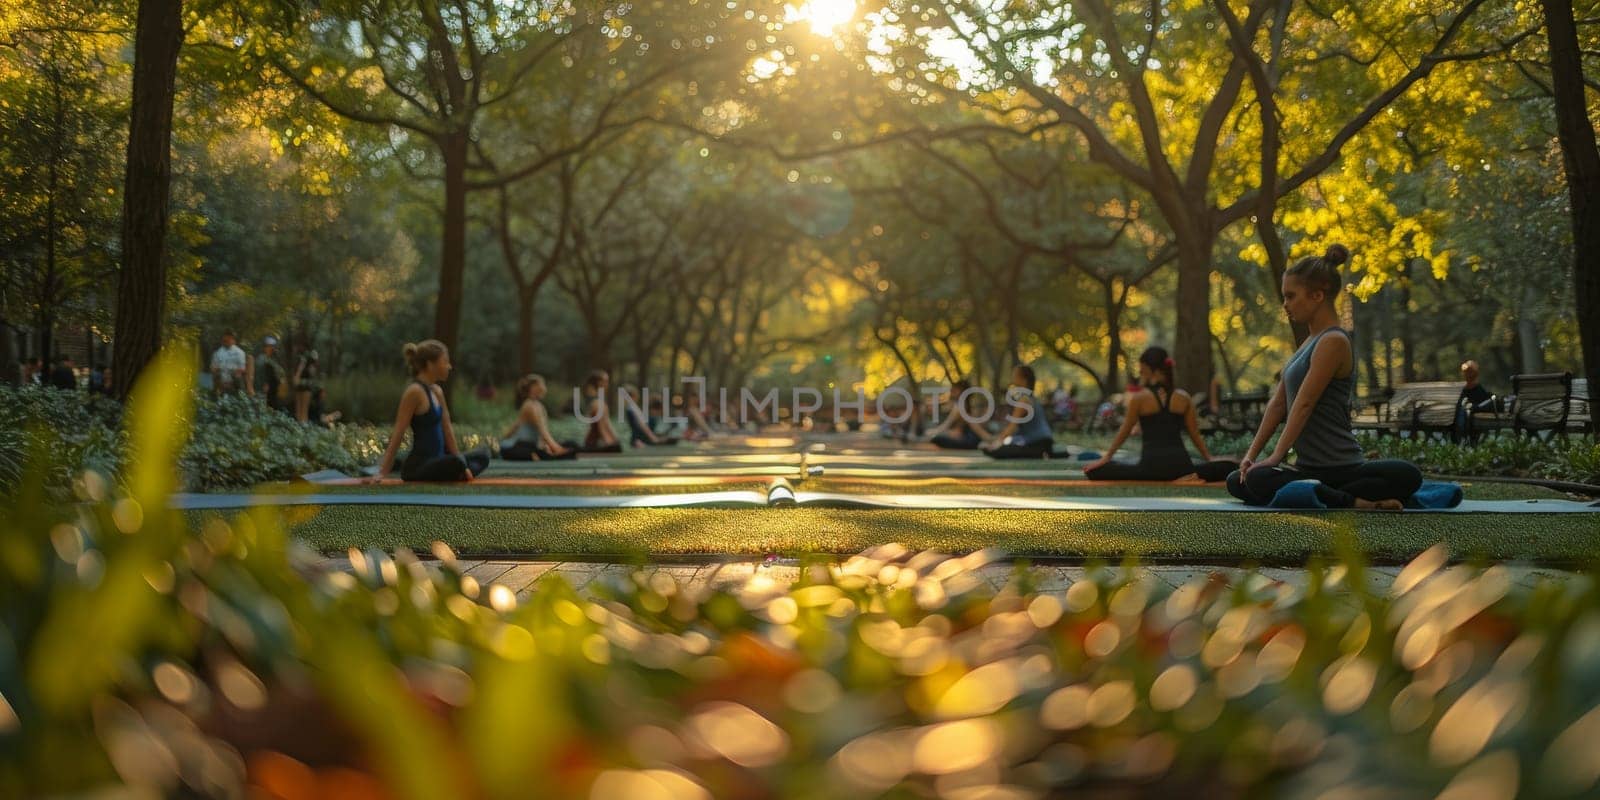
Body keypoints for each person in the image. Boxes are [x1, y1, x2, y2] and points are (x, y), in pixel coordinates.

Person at [1227, 244, 1423, 509]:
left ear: (1318, 295)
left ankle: (1348, 501)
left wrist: (1275, 457)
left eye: (1291, 296)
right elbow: (1278, 404)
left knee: (1408, 475)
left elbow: (1304, 403)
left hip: (1343, 467)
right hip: (1307, 469)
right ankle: (1339, 496)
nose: (1285, 304)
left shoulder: (1333, 341)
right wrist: (1251, 457)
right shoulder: (1308, 342)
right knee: (1241, 480)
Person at [1083, 347, 1237, 481]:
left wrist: (1107, 457)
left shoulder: (1139, 398)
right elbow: (1194, 434)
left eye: (1142, 369)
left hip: (1150, 467)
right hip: (1181, 466)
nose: (1140, 372)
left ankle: (1189, 474)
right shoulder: (1183, 397)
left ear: (1152, 370)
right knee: (1230, 466)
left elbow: (1124, 430)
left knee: (1094, 470)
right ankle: (1191, 475)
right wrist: (1209, 458)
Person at [371, 340, 489, 482]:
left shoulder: (437, 391)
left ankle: (457, 471)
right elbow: (399, 432)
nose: (449, 367)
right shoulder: (414, 392)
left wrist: (462, 462)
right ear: (430, 364)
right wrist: (382, 472)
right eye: (445, 361)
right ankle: (456, 471)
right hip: (419, 466)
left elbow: (447, 430)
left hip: (440, 460)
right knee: (455, 463)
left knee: (483, 455)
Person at [982, 365, 1056, 459]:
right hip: (1044, 442)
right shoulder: (1032, 398)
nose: (1012, 378)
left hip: (1037, 444)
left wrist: (997, 443)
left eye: (1015, 375)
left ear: (1024, 380)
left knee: (993, 451)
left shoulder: (1024, 400)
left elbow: (1012, 426)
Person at [501, 374, 580, 461]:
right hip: (519, 446)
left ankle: (539, 454)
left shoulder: (539, 405)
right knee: (534, 452)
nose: (545, 388)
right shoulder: (529, 406)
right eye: (542, 384)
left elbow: (543, 433)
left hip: (532, 445)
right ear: (534, 387)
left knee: (572, 445)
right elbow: (542, 430)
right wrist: (556, 449)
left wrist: (548, 447)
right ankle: (536, 455)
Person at [927, 379, 986, 449]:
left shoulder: (959, 407)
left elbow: (945, 425)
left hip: (968, 440)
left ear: (961, 391)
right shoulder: (966, 405)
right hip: (971, 438)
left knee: (935, 438)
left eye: (954, 389)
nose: (951, 391)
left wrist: (933, 432)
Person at [579, 369, 623, 453]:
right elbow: (601, 428)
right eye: (606, 381)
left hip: (592, 444)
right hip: (593, 445)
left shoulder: (599, 401)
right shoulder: (597, 403)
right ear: (599, 383)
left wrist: (615, 441)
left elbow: (607, 425)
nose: (607, 384)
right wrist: (610, 444)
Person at [255, 335, 286, 411]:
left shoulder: (275, 359)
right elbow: (261, 373)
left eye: (272, 346)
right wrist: (265, 384)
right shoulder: (261, 359)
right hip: (264, 388)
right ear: (265, 347)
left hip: (275, 389)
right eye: (268, 346)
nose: (271, 348)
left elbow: (280, 372)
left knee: (273, 407)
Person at [292, 348, 321, 423]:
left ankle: (301, 424)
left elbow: (298, 378)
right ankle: (301, 424)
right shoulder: (306, 365)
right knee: (302, 409)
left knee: (303, 409)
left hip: (304, 388)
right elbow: (297, 377)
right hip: (302, 388)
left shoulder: (310, 366)